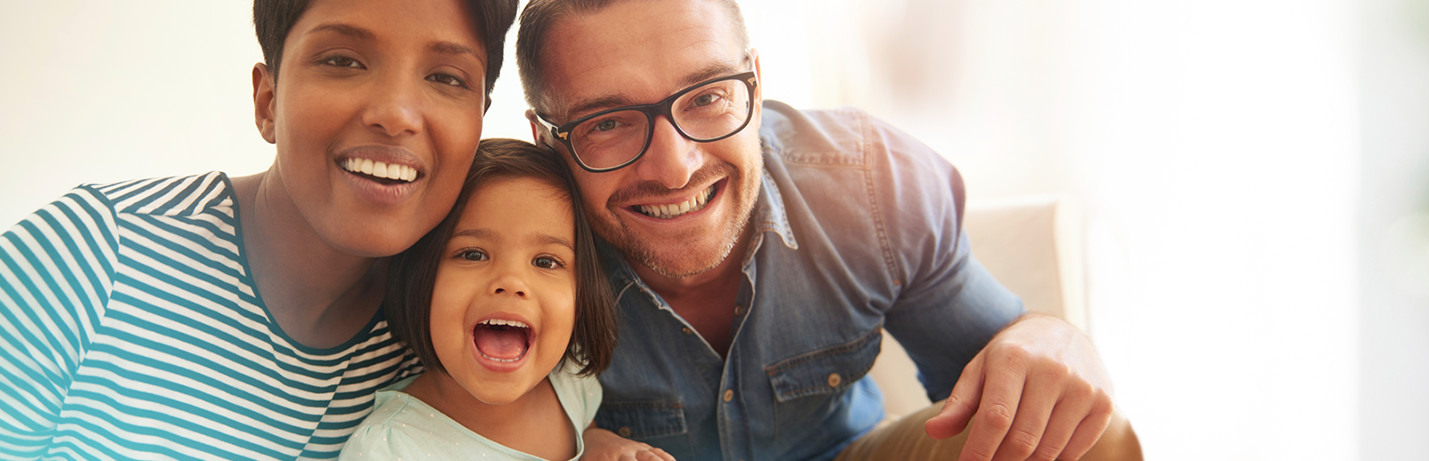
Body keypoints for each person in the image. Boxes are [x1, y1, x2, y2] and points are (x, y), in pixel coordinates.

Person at [512, 1, 1142, 460]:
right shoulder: (502, 245)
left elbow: (990, 363)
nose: (676, 167)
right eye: (607, 123)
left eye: (707, 97)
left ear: (754, 88)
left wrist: (1051, 334)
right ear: (547, 139)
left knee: (1086, 438)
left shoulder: (870, 183)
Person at [0, 0, 516, 459]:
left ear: (479, 122)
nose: (397, 114)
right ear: (267, 100)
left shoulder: (455, 336)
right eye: (342, 61)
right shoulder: (93, 255)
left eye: (447, 78)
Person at [342, 138, 670, 461]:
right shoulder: (390, 448)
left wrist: (598, 442)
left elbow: (583, 429)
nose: (511, 282)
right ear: (418, 277)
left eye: (546, 262)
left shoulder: (569, 380)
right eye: (472, 254)